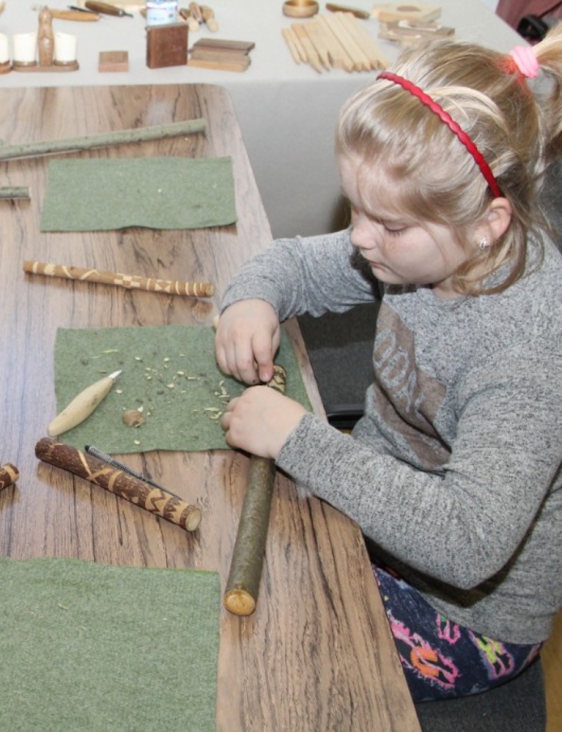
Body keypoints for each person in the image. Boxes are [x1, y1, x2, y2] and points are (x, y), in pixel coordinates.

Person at [215, 36, 562, 702]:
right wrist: (251, 301)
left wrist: (298, 439)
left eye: (389, 224)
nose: (360, 237)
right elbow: (293, 264)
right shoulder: (420, 246)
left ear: (489, 223)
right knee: (222, 550)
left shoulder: (531, 348)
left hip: (464, 617)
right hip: (374, 520)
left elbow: (468, 541)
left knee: (253, 648)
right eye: (355, 207)